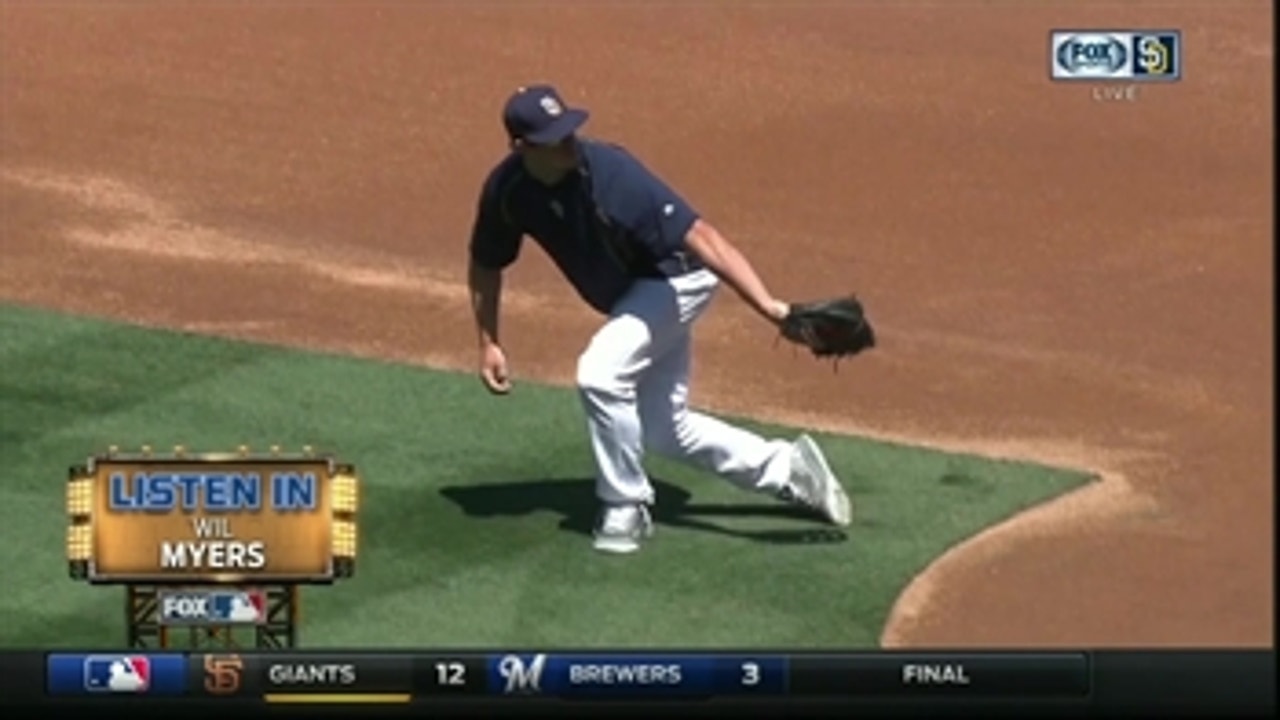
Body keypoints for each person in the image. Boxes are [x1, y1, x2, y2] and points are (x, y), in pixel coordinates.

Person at [467, 84, 852, 554]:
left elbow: (703, 237)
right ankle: (787, 468)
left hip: (678, 279)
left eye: (568, 130)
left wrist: (769, 306)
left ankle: (625, 506)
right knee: (664, 431)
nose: (569, 142)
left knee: (600, 374)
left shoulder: (611, 174)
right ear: (522, 148)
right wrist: (489, 341)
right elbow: (486, 263)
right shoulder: (508, 191)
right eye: (554, 137)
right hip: (635, 294)